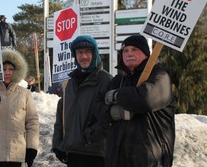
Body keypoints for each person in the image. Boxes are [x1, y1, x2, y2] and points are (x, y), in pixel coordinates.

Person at [98, 35, 175, 167]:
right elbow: (98, 105)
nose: (129, 53)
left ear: (145, 53)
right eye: (125, 50)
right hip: (117, 158)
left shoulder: (160, 76)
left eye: (134, 49)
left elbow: (146, 99)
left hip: (150, 159)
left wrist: (116, 95)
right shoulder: (118, 80)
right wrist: (113, 112)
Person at [52, 35, 113, 167]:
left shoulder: (106, 81)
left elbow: (110, 116)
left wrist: (90, 136)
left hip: (96, 153)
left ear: (95, 54)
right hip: (73, 153)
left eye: (87, 52)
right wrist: (58, 144)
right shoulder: (69, 82)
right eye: (79, 52)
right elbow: (61, 115)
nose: (83, 57)